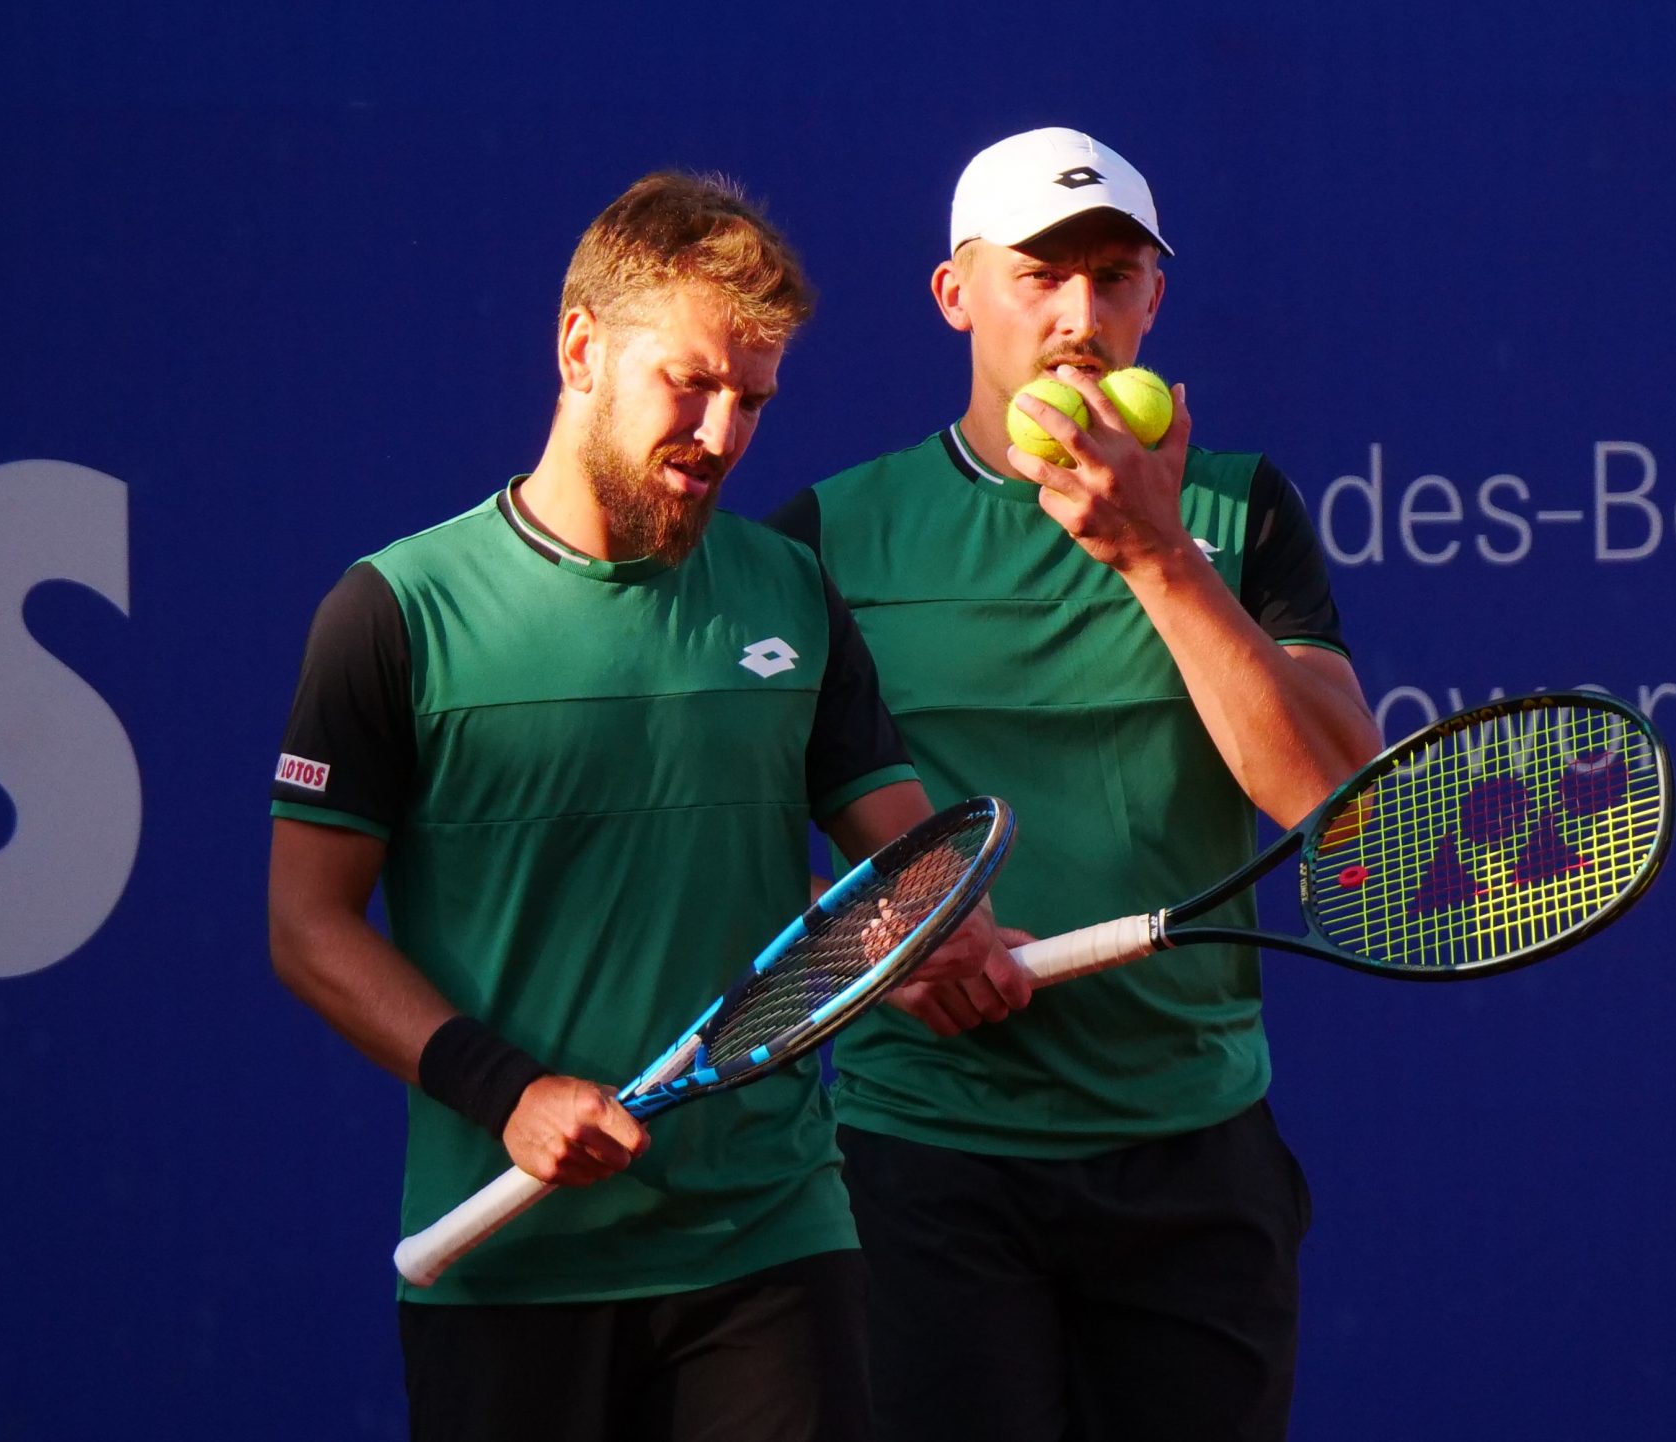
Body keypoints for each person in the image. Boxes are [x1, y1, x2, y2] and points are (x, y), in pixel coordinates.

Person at [265, 171, 999, 1442]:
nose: (721, 433)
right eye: (692, 383)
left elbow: (906, 856)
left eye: (754, 400)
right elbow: (307, 926)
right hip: (510, 1263)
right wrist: (508, 1090)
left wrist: (937, 942)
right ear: (580, 347)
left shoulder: (790, 593)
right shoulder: (392, 614)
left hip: (769, 1242)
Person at [767, 127, 1384, 1441]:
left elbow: (1341, 807)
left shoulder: (1236, 508)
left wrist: (1160, 555)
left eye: (1114, 278)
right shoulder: (826, 535)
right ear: (956, 294)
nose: (1079, 316)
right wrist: (882, 935)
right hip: (925, 1158)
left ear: (1155, 298)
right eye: (1039, 276)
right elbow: (735, 839)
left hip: (1192, 1148)